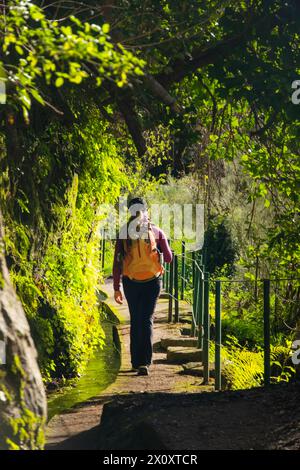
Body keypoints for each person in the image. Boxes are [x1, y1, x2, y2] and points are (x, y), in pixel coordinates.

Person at [113, 197, 172, 376]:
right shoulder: (156, 230)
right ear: (146, 211)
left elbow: (117, 263)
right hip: (152, 282)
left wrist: (116, 287)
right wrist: (159, 252)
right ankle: (145, 363)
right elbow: (169, 258)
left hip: (131, 282)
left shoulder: (124, 232)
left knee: (135, 319)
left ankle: (135, 362)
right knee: (147, 320)